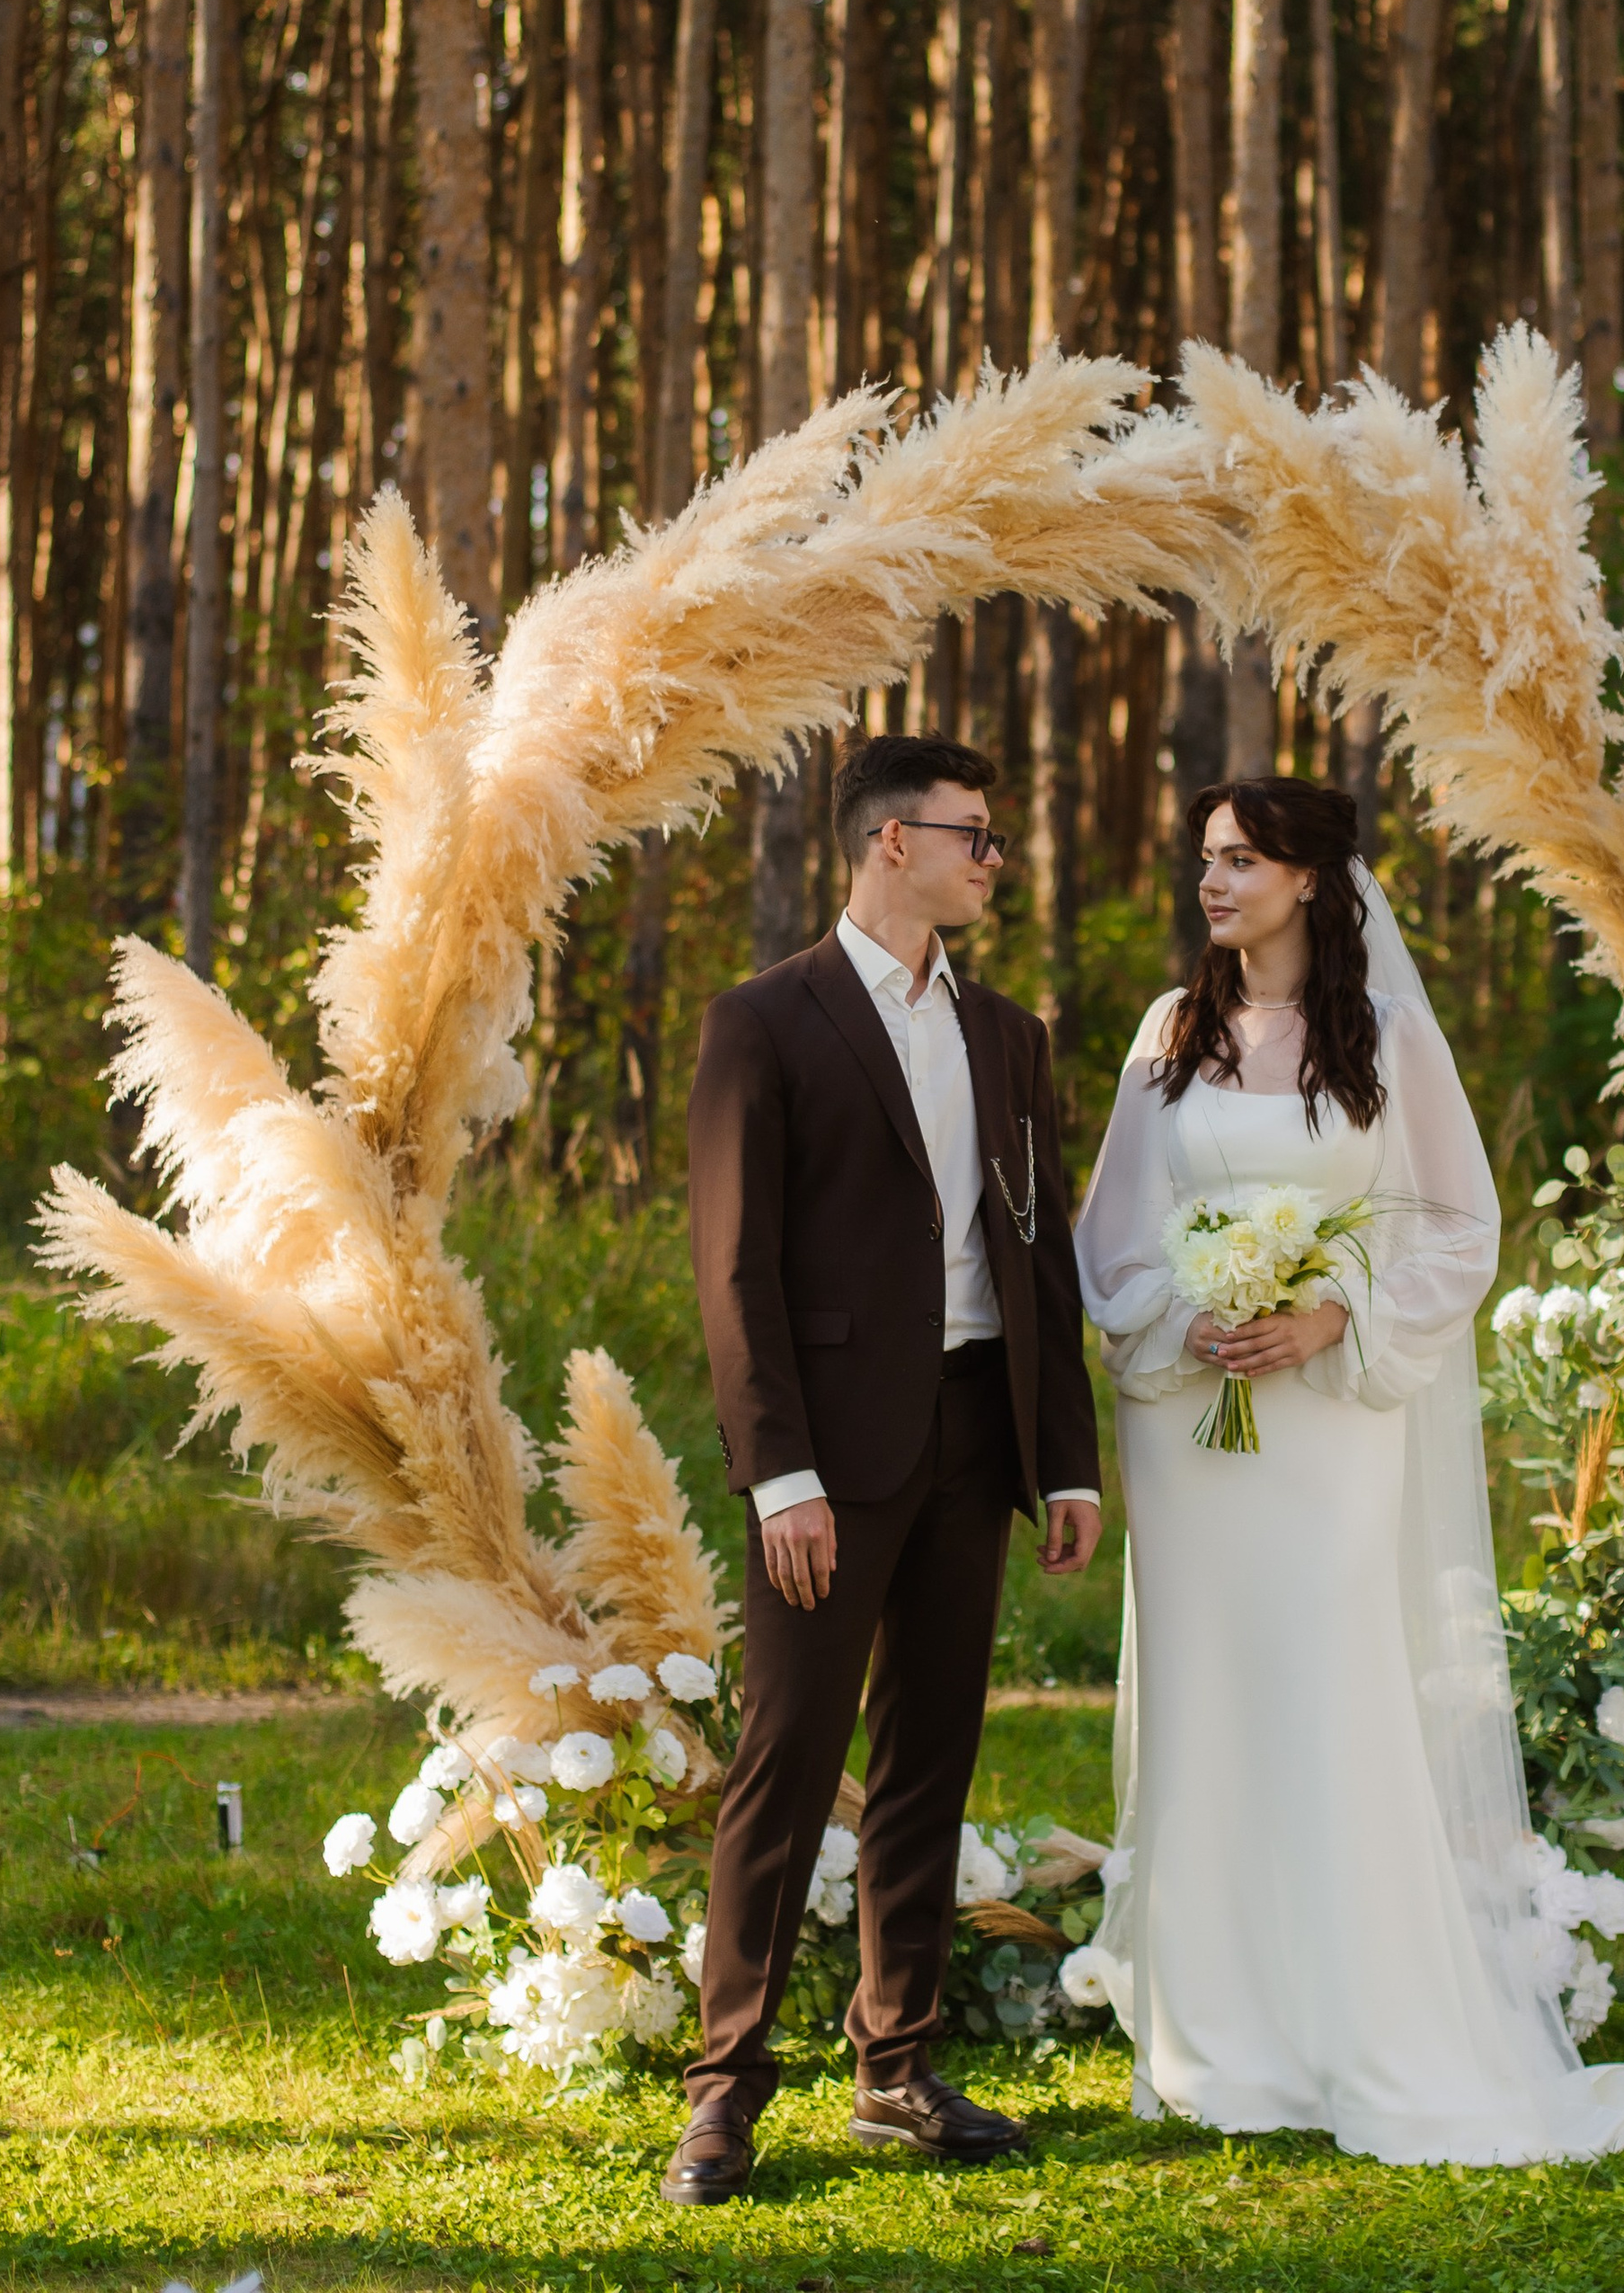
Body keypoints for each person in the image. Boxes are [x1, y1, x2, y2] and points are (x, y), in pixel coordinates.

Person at [1074, 775, 1624, 2166]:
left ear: (1306, 879)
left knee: (1329, 1690)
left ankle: (1364, 2026)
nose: (1210, 883)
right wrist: (1186, 1310)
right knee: (1206, 1695)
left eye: (1238, 862)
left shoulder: (1390, 1040)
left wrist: (1333, 1303)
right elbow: (1114, 1228)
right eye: (1206, 860)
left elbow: (1459, 1227)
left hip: (1333, 1419)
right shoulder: (1172, 1032)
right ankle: (1218, 2044)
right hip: (1196, 1417)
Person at [667, 733, 1105, 2204]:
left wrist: (1066, 1459)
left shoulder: (1009, 1037)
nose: (993, 860)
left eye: (994, 836)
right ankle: (723, 2091)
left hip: (975, 1439)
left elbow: (1034, 1250)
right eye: (971, 836)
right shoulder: (764, 1022)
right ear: (886, 846)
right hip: (832, 1466)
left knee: (932, 1760)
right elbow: (736, 1269)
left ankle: (895, 2067)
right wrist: (777, 1475)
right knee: (784, 1768)